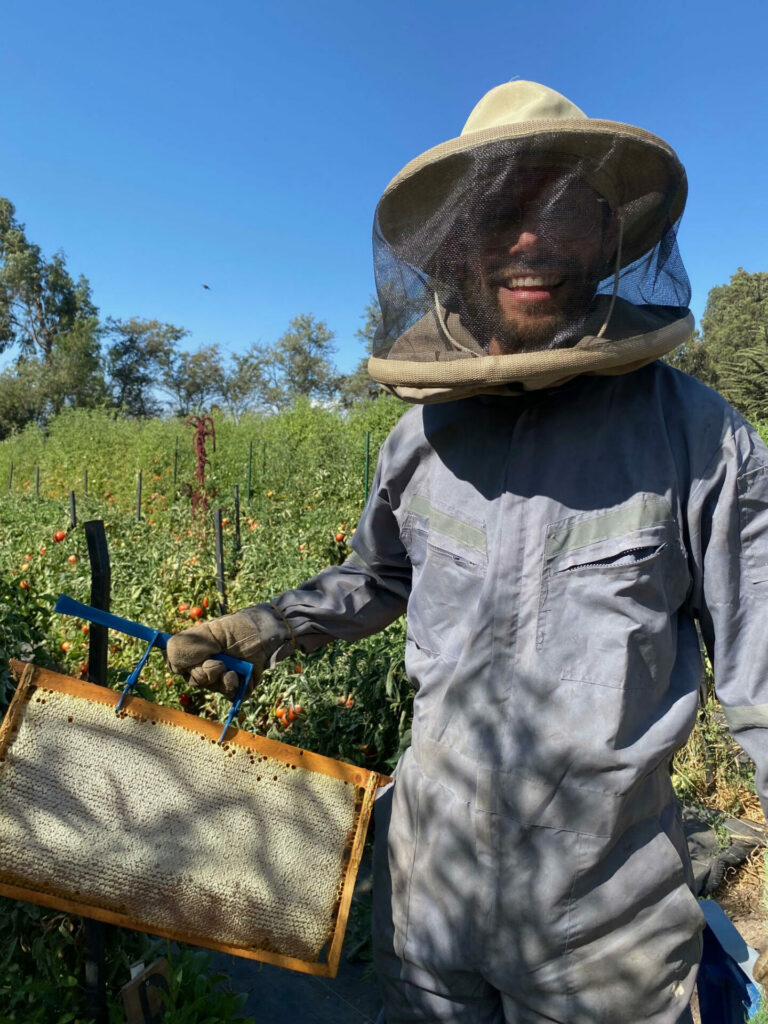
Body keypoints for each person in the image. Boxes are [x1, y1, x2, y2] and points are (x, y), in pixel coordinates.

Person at [167, 82, 768, 1023]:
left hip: (604, 942)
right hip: (426, 908)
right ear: (455, 247)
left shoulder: (699, 440)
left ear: (607, 240)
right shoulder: (420, 442)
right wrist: (260, 629)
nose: (530, 243)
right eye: (498, 216)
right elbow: (379, 577)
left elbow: (762, 673)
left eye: (561, 212)